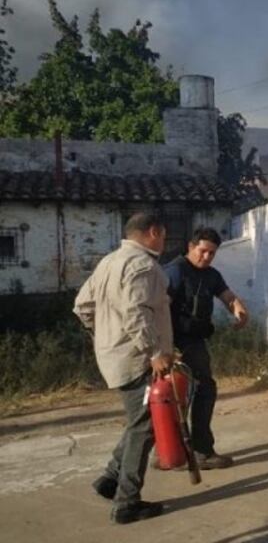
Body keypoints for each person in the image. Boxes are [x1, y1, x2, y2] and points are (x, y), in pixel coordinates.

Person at [74, 212, 173, 524]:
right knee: (145, 428)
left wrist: (105, 334)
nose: (165, 240)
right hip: (138, 359)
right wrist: (154, 351)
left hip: (114, 356)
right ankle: (127, 502)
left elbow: (82, 306)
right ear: (154, 232)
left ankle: (110, 478)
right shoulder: (144, 265)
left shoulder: (109, 262)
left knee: (137, 422)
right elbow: (137, 313)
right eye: (164, 234)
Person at [163, 227, 249, 470]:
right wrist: (164, 346)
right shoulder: (175, 271)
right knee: (184, 394)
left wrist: (239, 310)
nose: (207, 257)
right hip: (174, 341)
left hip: (195, 341)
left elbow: (228, 297)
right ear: (191, 247)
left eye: (212, 253)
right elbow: (159, 308)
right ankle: (189, 452)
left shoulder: (211, 275)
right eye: (203, 251)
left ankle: (179, 452)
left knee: (199, 390)